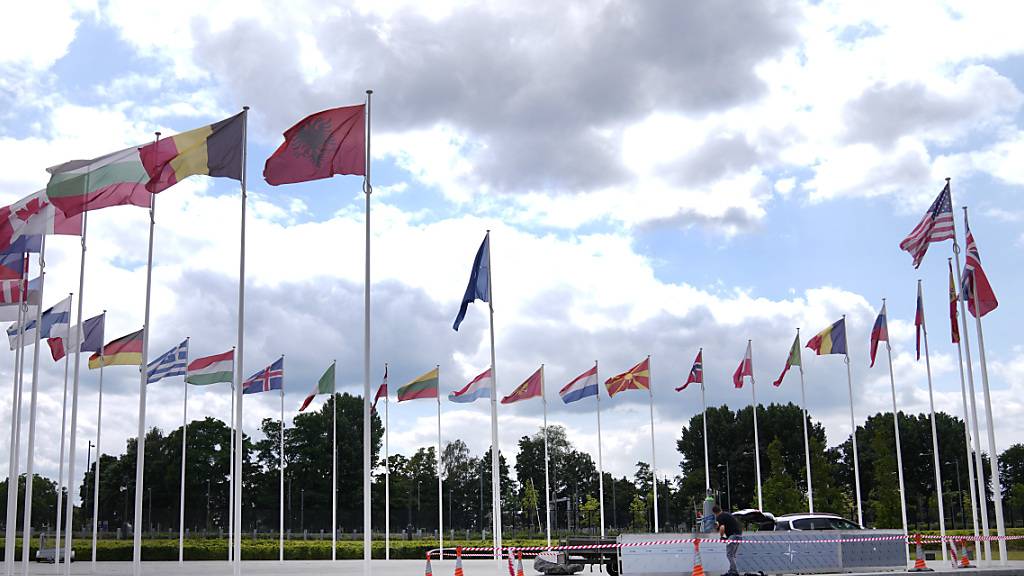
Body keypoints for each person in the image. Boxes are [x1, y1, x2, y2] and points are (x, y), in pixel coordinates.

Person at [713, 504, 742, 575]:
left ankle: (734, 572)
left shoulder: (720, 516)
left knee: (729, 555)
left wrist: (721, 536)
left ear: (714, 513)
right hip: (739, 535)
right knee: (732, 555)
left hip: (733, 536)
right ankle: (732, 570)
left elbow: (722, 527)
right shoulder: (727, 514)